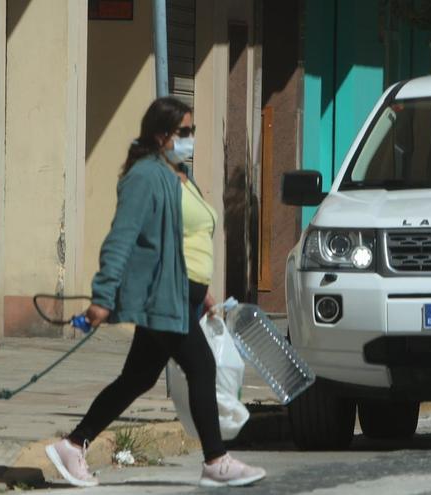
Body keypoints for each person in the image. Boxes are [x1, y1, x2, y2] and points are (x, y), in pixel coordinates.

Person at [45, 97, 266, 488]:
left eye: (192, 131)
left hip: (183, 294)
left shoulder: (177, 173)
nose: (191, 138)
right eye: (185, 132)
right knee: (201, 366)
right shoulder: (145, 177)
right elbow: (121, 237)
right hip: (163, 295)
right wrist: (102, 297)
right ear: (161, 134)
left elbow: (186, 237)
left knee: (137, 379)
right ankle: (216, 460)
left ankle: (73, 443)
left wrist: (204, 293)